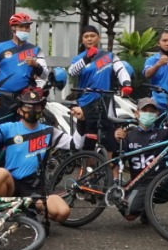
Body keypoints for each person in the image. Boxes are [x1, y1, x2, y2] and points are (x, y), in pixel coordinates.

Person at [0, 86, 75, 223]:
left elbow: (76, 144)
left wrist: (82, 122)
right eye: (28, 107)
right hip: (13, 183)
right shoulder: (9, 128)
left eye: (36, 107)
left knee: (63, 213)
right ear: (19, 110)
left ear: (41, 110)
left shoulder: (48, 131)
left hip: (36, 188)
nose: (32, 111)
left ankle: (33, 210)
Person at [113, 97, 168, 230]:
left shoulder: (163, 133)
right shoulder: (128, 135)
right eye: (144, 110)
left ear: (157, 114)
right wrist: (116, 139)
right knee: (128, 216)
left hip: (161, 182)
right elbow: (116, 163)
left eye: (152, 111)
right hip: (141, 184)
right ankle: (145, 208)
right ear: (136, 113)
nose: (148, 113)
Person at [57, 25, 132, 154]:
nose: (89, 39)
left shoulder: (109, 56)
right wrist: (86, 58)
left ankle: (108, 172)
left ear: (98, 38)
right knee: (88, 141)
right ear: (82, 40)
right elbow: (72, 72)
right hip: (86, 103)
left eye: (92, 36)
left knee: (109, 140)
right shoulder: (79, 58)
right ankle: (89, 171)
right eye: (86, 36)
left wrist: (126, 84)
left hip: (105, 101)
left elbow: (120, 70)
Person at [0, 12, 49, 124]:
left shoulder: (36, 50)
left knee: (25, 134)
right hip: (3, 98)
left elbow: (44, 75)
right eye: (21, 26)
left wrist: (35, 65)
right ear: (13, 27)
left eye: (27, 27)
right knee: (0, 132)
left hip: (26, 99)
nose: (25, 29)